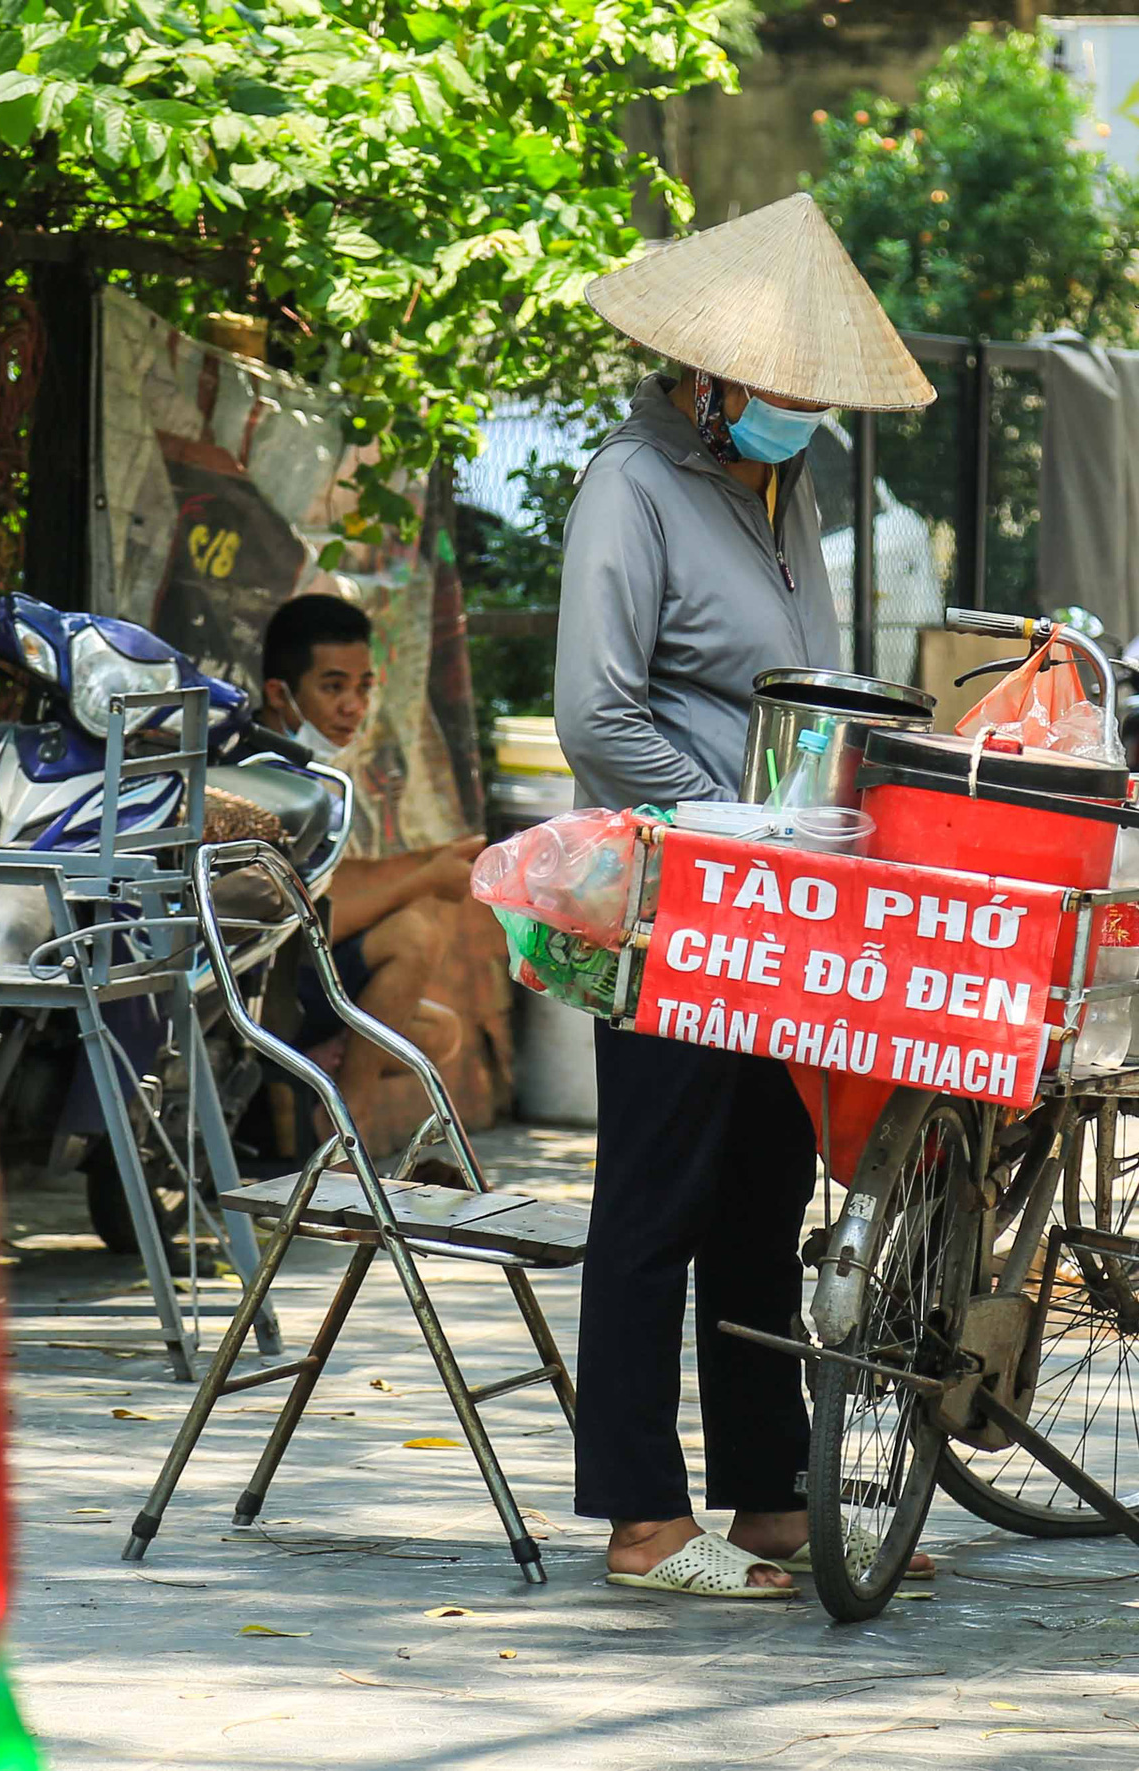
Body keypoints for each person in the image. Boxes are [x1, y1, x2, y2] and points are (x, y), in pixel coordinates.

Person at [556, 193, 937, 1600]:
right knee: (654, 1196)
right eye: (781, 390)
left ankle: (771, 1494)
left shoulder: (785, 493)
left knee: (764, 1191)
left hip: (778, 903)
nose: (801, 415)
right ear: (706, 382)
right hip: (669, 896)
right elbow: (599, 714)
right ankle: (643, 1518)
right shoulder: (631, 487)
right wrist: (730, 817)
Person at [257, 593, 483, 1141]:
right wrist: (425, 880)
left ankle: (313, 1071)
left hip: (302, 980)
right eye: (333, 687)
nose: (352, 707)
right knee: (411, 935)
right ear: (278, 691)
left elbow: (334, 886)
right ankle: (343, 1125)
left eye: (363, 688)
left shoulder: (315, 775)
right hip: (258, 988)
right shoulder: (260, 776)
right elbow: (308, 923)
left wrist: (429, 866)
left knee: (438, 1032)